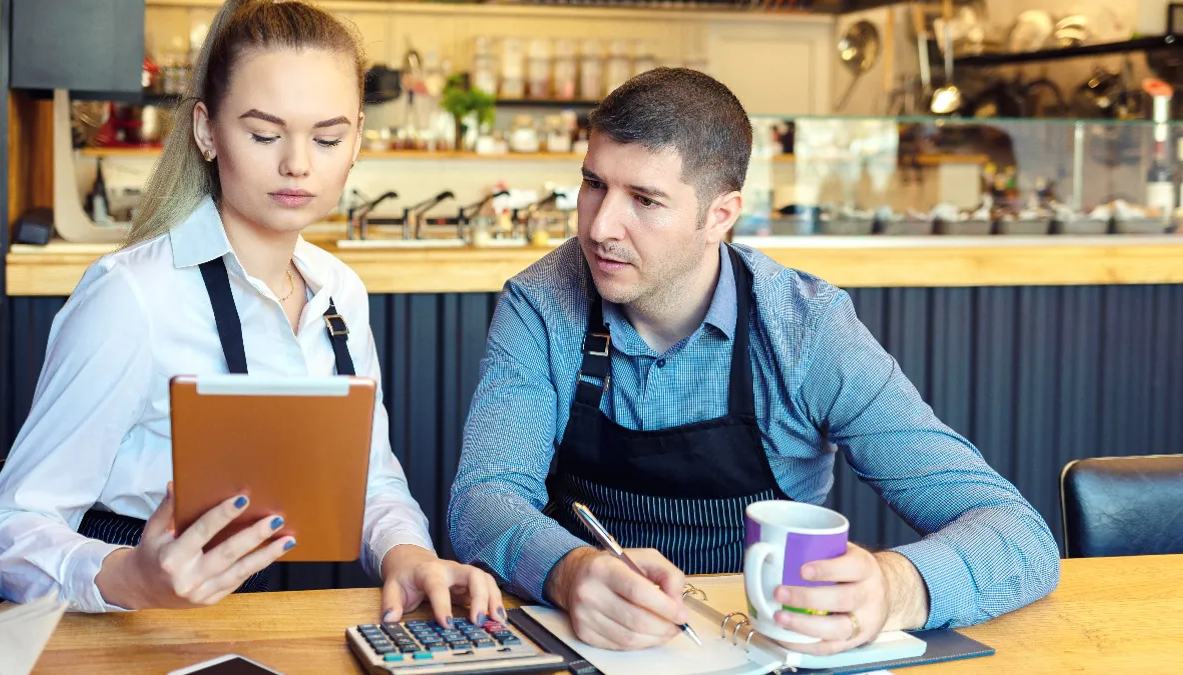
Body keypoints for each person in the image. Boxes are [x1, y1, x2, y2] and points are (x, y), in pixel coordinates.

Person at [448, 68, 1060, 654]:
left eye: (645, 200)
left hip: (767, 649)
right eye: (593, 184)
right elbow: (482, 499)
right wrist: (566, 569)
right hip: (592, 644)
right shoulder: (542, 303)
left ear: (720, 215)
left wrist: (896, 589)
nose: (601, 225)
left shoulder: (805, 330)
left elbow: (1018, 535)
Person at [0, 0, 502, 625]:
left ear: (358, 138)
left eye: (328, 137)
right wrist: (133, 577)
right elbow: (7, 528)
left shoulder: (339, 291)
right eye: (264, 134)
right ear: (206, 130)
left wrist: (409, 554)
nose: (298, 164)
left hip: (243, 625)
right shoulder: (131, 297)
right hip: (116, 631)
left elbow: (370, 481)